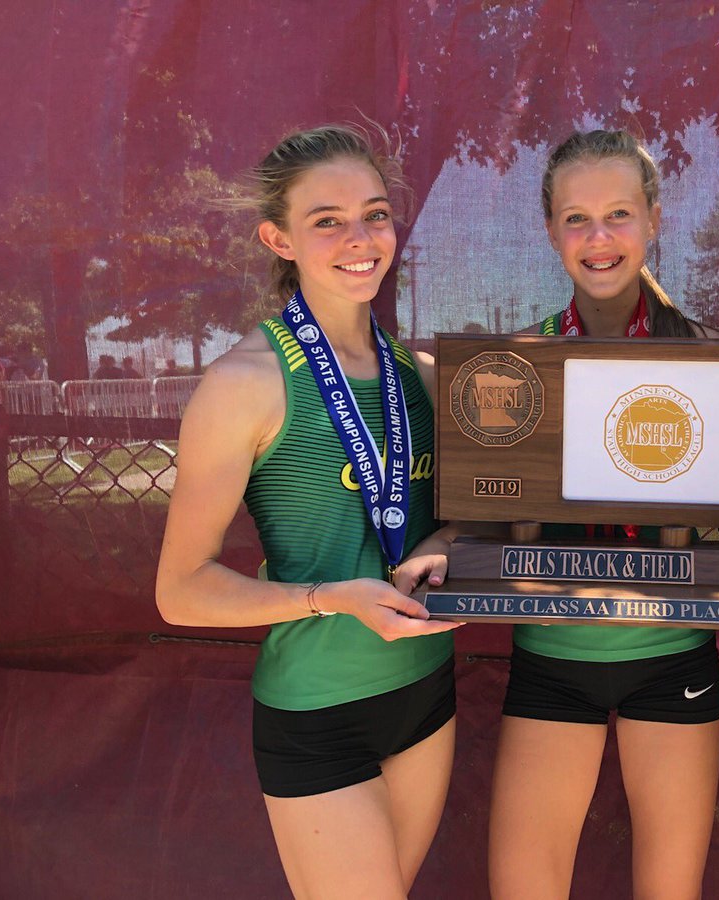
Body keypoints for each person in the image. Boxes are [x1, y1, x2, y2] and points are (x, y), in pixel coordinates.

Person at [487, 129, 719, 900]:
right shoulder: (517, 362)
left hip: (672, 660)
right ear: (551, 228)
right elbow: (482, 509)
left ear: (654, 219)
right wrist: (441, 544)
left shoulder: (709, 358)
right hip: (553, 663)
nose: (599, 238)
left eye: (619, 214)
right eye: (576, 218)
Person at [155, 124, 461, 899]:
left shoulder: (421, 377)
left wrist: (452, 547)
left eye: (375, 213)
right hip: (319, 711)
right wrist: (329, 599)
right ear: (278, 237)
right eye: (327, 220)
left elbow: (461, 524)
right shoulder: (245, 383)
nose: (359, 238)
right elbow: (180, 588)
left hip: (426, 693)